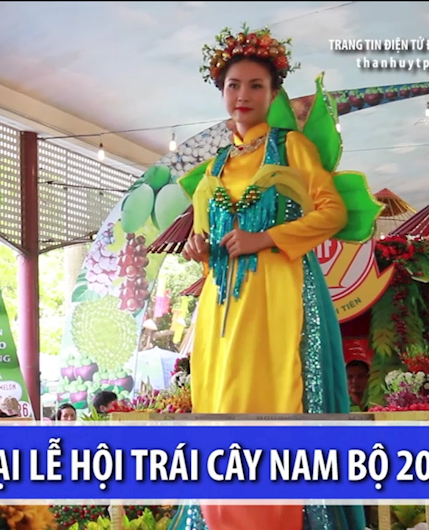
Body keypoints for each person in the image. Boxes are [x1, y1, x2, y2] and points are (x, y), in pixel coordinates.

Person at [176, 25, 367, 530]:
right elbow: (206, 237)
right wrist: (199, 249)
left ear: (274, 92)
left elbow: (331, 213)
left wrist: (265, 238)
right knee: (220, 403)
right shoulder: (214, 167)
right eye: (234, 85)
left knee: (273, 394)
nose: (243, 94)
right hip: (221, 305)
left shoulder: (291, 147)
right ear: (222, 91)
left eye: (256, 85)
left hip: (280, 293)